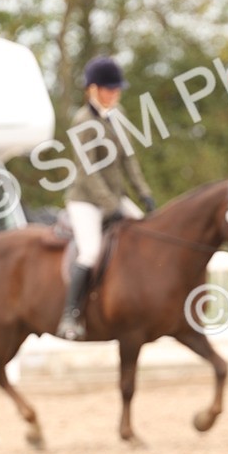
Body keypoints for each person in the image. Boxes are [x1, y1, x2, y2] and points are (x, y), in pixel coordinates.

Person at [56, 56, 156, 341]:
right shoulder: (82, 122)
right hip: (85, 200)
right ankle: (70, 315)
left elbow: (129, 160)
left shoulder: (117, 115)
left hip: (115, 196)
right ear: (93, 89)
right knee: (90, 251)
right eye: (110, 89)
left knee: (146, 237)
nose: (115, 94)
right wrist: (111, 207)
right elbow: (88, 172)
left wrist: (144, 193)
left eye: (117, 89)